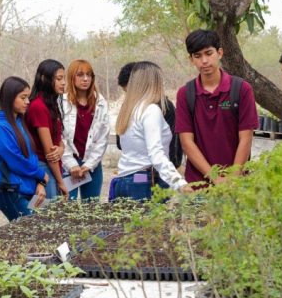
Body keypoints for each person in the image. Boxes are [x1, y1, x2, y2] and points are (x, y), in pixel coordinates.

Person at [175, 29, 259, 186]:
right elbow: (187, 142)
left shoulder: (241, 89)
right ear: (191, 59)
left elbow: (246, 137)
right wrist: (215, 178)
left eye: (209, 53)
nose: (204, 61)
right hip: (198, 185)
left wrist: (233, 177)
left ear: (219, 53)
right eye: (197, 56)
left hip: (237, 184)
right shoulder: (185, 94)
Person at [111, 62, 189, 200]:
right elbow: (156, 154)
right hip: (144, 182)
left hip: (124, 180)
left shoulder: (129, 110)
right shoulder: (151, 110)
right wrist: (179, 183)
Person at [0, 76, 49, 220]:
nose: (27, 102)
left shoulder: (19, 121)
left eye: (28, 97)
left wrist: (40, 183)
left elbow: (31, 155)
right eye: (23, 97)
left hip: (30, 189)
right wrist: (40, 175)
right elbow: (15, 161)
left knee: (42, 226)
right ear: (10, 97)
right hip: (12, 191)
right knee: (33, 229)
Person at [116, 62, 182, 166]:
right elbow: (120, 142)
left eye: (130, 90)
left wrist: (172, 166)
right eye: (126, 92)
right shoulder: (127, 105)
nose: (129, 95)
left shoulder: (164, 106)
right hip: (138, 169)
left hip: (160, 167)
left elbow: (174, 143)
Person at [61, 59, 109, 200]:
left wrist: (90, 164)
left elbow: (103, 136)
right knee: (66, 206)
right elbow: (60, 136)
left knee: (92, 207)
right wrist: (71, 164)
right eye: (80, 75)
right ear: (72, 77)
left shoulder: (100, 102)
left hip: (91, 165)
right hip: (68, 164)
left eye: (89, 75)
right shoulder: (62, 102)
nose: (85, 79)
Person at [25, 59, 68, 198]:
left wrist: (61, 148)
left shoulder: (51, 104)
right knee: (48, 211)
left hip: (54, 166)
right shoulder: (38, 106)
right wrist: (61, 182)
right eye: (59, 79)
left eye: (64, 78)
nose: (64, 83)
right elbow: (49, 152)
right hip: (43, 167)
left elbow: (57, 138)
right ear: (44, 79)